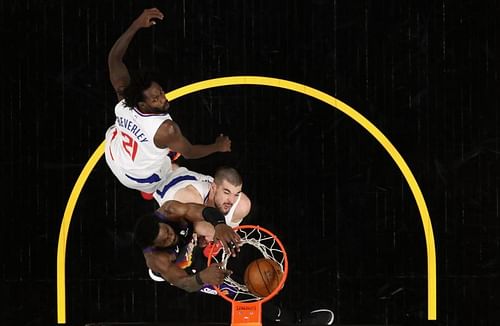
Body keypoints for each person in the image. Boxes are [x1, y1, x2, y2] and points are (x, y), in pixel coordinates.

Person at [133, 200, 335, 325]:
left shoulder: (170, 210)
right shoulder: (156, 260)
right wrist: (203, 277)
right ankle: (295, 321)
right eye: (165, 241)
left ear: (162, 222)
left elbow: (204, 211)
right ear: (155, 246)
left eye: (167, 232)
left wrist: (219, 225)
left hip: (198, 241)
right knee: (239, 291)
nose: (170, 237)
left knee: (239, 251)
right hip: (188, 268)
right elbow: (185, 283)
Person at [105, 8, 231, 196]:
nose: (164, 99)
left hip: (114, 155)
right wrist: (218, 146)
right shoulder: (167, 129)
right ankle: (149, 188)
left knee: (153, 144)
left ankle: (158, 154)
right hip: (138, 178)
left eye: (162, 92)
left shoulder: (125, 99)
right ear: (142, 105)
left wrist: (136, 24)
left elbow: (114, 58)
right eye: (156, 99)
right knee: (170, 164)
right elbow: (189, 151)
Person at [152, 165, 251, 227]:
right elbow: (202, 229)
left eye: (236, 194)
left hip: (184, 174)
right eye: (226, 192)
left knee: (242, 206)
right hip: (160, 180)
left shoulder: (241, 204)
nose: (231, 200)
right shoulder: (191, 197)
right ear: (213, 188)